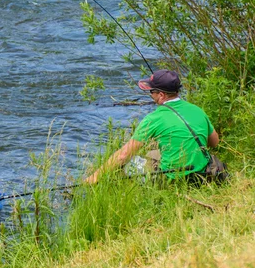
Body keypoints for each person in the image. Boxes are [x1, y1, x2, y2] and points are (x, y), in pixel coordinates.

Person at [85, 69, 219, 184]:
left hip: (173, 179)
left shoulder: (154, 118)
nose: (150, 95)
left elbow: (124, 154)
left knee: (129, 163)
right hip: (201, 175)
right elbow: (214, 142)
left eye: (151, 92)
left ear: (161, 95)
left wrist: (95, 176)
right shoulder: (197, 110)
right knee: (152, 154)